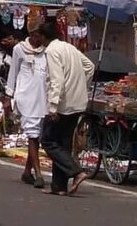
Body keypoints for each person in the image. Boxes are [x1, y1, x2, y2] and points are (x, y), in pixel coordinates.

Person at [39, 18, 94, 196]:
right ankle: (59, 186)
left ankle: (76, 172)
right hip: (77, 103)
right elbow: (89, 67)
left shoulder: (52, 51)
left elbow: (57, 80)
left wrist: (53, 106)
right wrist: (82, 87)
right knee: (62, 143)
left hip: (64, 104)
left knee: (47, 141)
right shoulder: (69, 47)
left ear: (42, 36)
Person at [3, 26, 48, 188]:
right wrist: (9, 96)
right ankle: (38, 174)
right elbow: (13, 73)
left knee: (36, 136)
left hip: (43, 98)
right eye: (37, 36)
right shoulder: (19, 49)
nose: (38, 40)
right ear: (32, 35)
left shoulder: (47, 51)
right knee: (33, 135)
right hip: (26, 97)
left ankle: (27, 172)